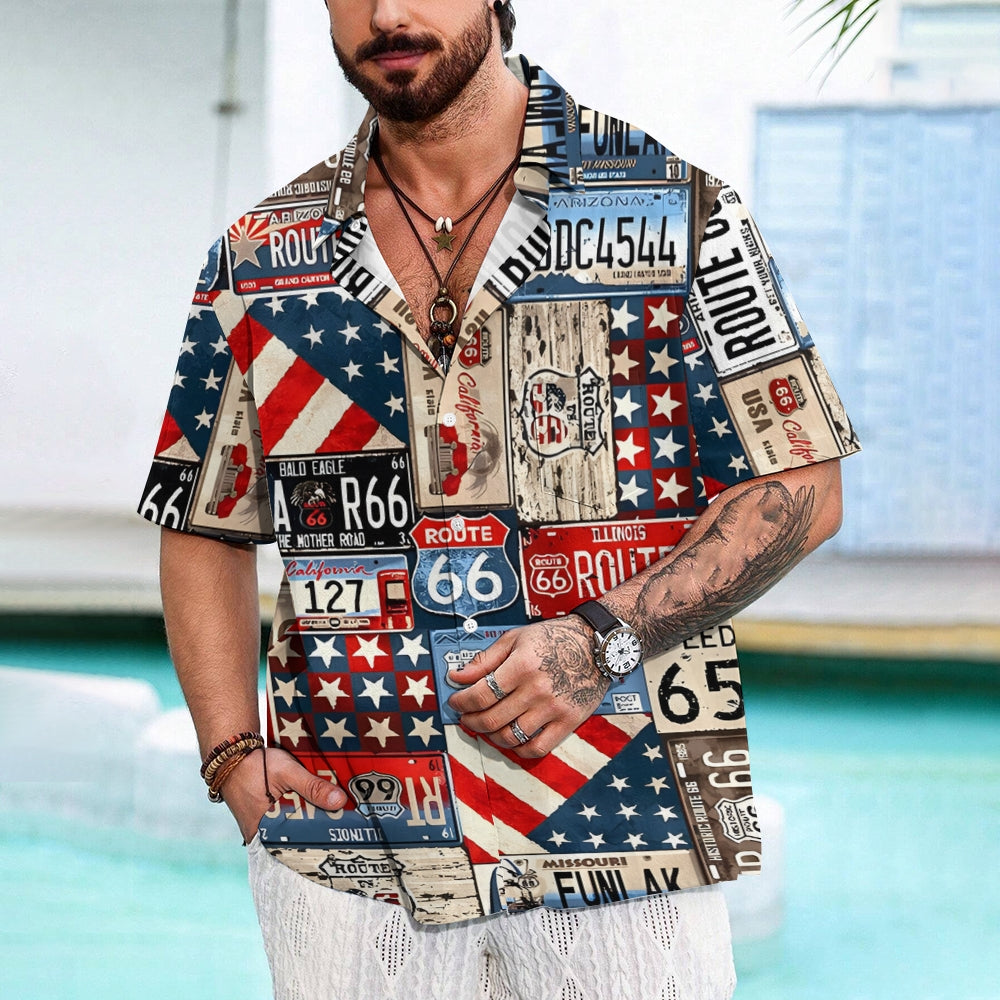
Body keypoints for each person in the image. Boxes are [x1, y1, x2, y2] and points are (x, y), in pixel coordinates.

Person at [139, 2, 860, 997]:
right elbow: (201, 521)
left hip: (622, 831)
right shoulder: (261, 257)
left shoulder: (674, 211)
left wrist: (600, 642)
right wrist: (230, 756)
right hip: (349, 848)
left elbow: (803, 482)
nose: (387, 14)